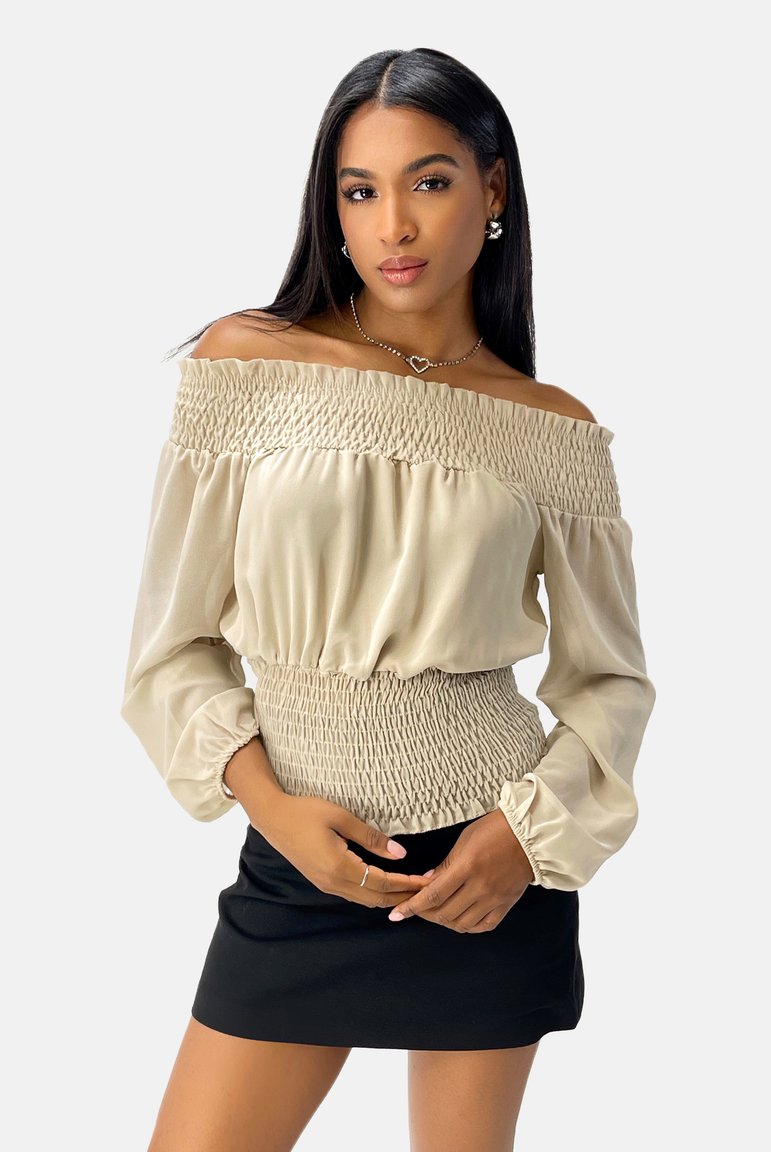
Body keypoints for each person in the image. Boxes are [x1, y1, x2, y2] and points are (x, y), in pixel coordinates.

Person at [121, 45, 656, 1152]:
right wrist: (273, 811)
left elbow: (610, 684)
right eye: (359, 192)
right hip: (297, 859)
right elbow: (171, 646)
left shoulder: (550, 426)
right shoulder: (248, 362)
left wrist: (522, 838)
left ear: (493, 190)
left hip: (486, 872)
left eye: (430, 181)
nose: (393, 226)